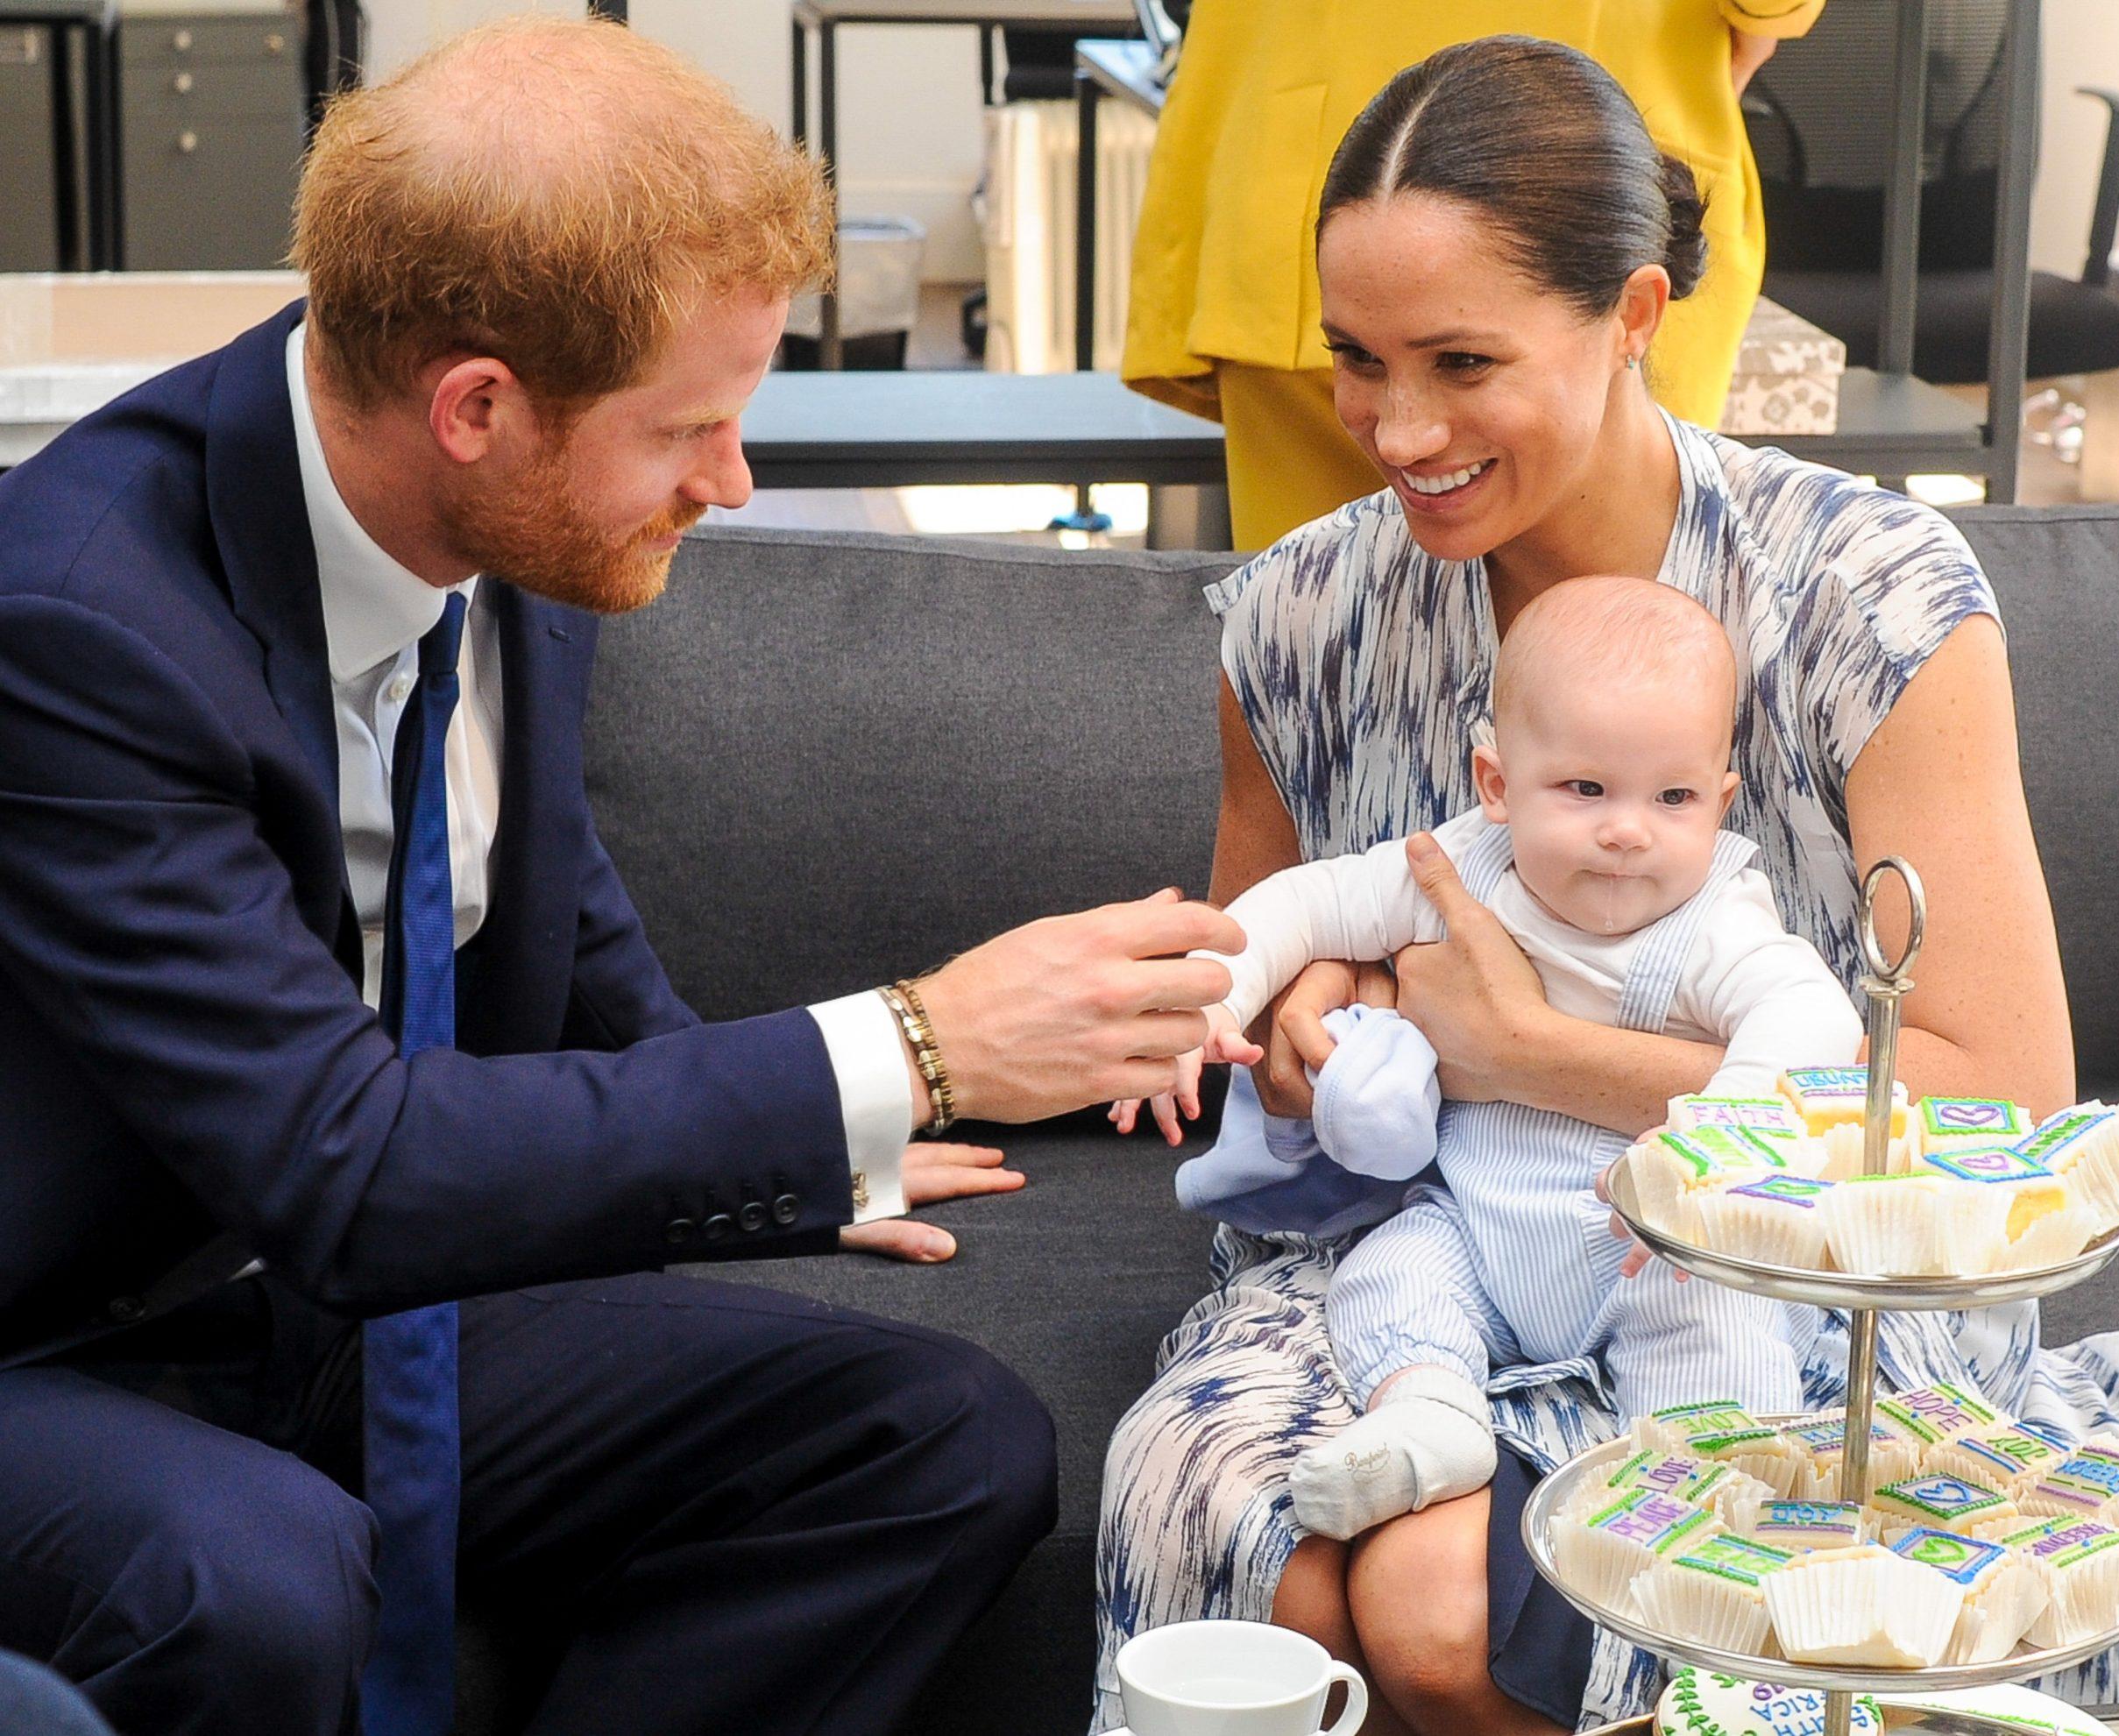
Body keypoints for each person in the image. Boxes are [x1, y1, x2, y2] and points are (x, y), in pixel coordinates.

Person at [0, 18, 1243, 1736]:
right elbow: (342, 1165)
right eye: (691, 432)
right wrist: (912, 1042)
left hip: (341, 1300)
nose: (727, 486)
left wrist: (809, 1148)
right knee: (257, 1583)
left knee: (941, 1443)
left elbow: (541, 886)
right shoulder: (82, 626)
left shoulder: (504, 535)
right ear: (479, 407)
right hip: (61, 1341)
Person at [1095, 35, 2119, 1736]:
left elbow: (1992, 1094)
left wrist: (1525, 1051)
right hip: (1405, 1252)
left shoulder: (1862, 594)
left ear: (1633, 315)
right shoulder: (1297, 617)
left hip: (1770, 1281)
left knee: (1420, 1606)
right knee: (1239, 1534)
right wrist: (1299, 1023)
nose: (1392, 428)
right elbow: (1257, 974)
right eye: (1354, 360)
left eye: (1459, 361)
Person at [1113, 577, 1861, 1542]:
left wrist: (1716, 1146)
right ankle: (1431, 1416)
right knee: (1391, 1273)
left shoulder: (1715, 918)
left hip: (1648, 1242)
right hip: (1477, 1224)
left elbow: (1810, 1015)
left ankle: (1697, 1491)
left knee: (1721, 1314)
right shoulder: (1458, 868)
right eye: (1584, 788)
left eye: (1673, 796)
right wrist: (1208, 997)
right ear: (1497, 784)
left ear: (1719, 801)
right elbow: (1308, 903)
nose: (1628, 828)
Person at [1120, 0, 1826, 550]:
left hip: (1291, 161)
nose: (1407, 434)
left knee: (1326, 657)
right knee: (1614, 661)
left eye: (1465, 362)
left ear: (1637, 312)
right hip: (1592, 177)